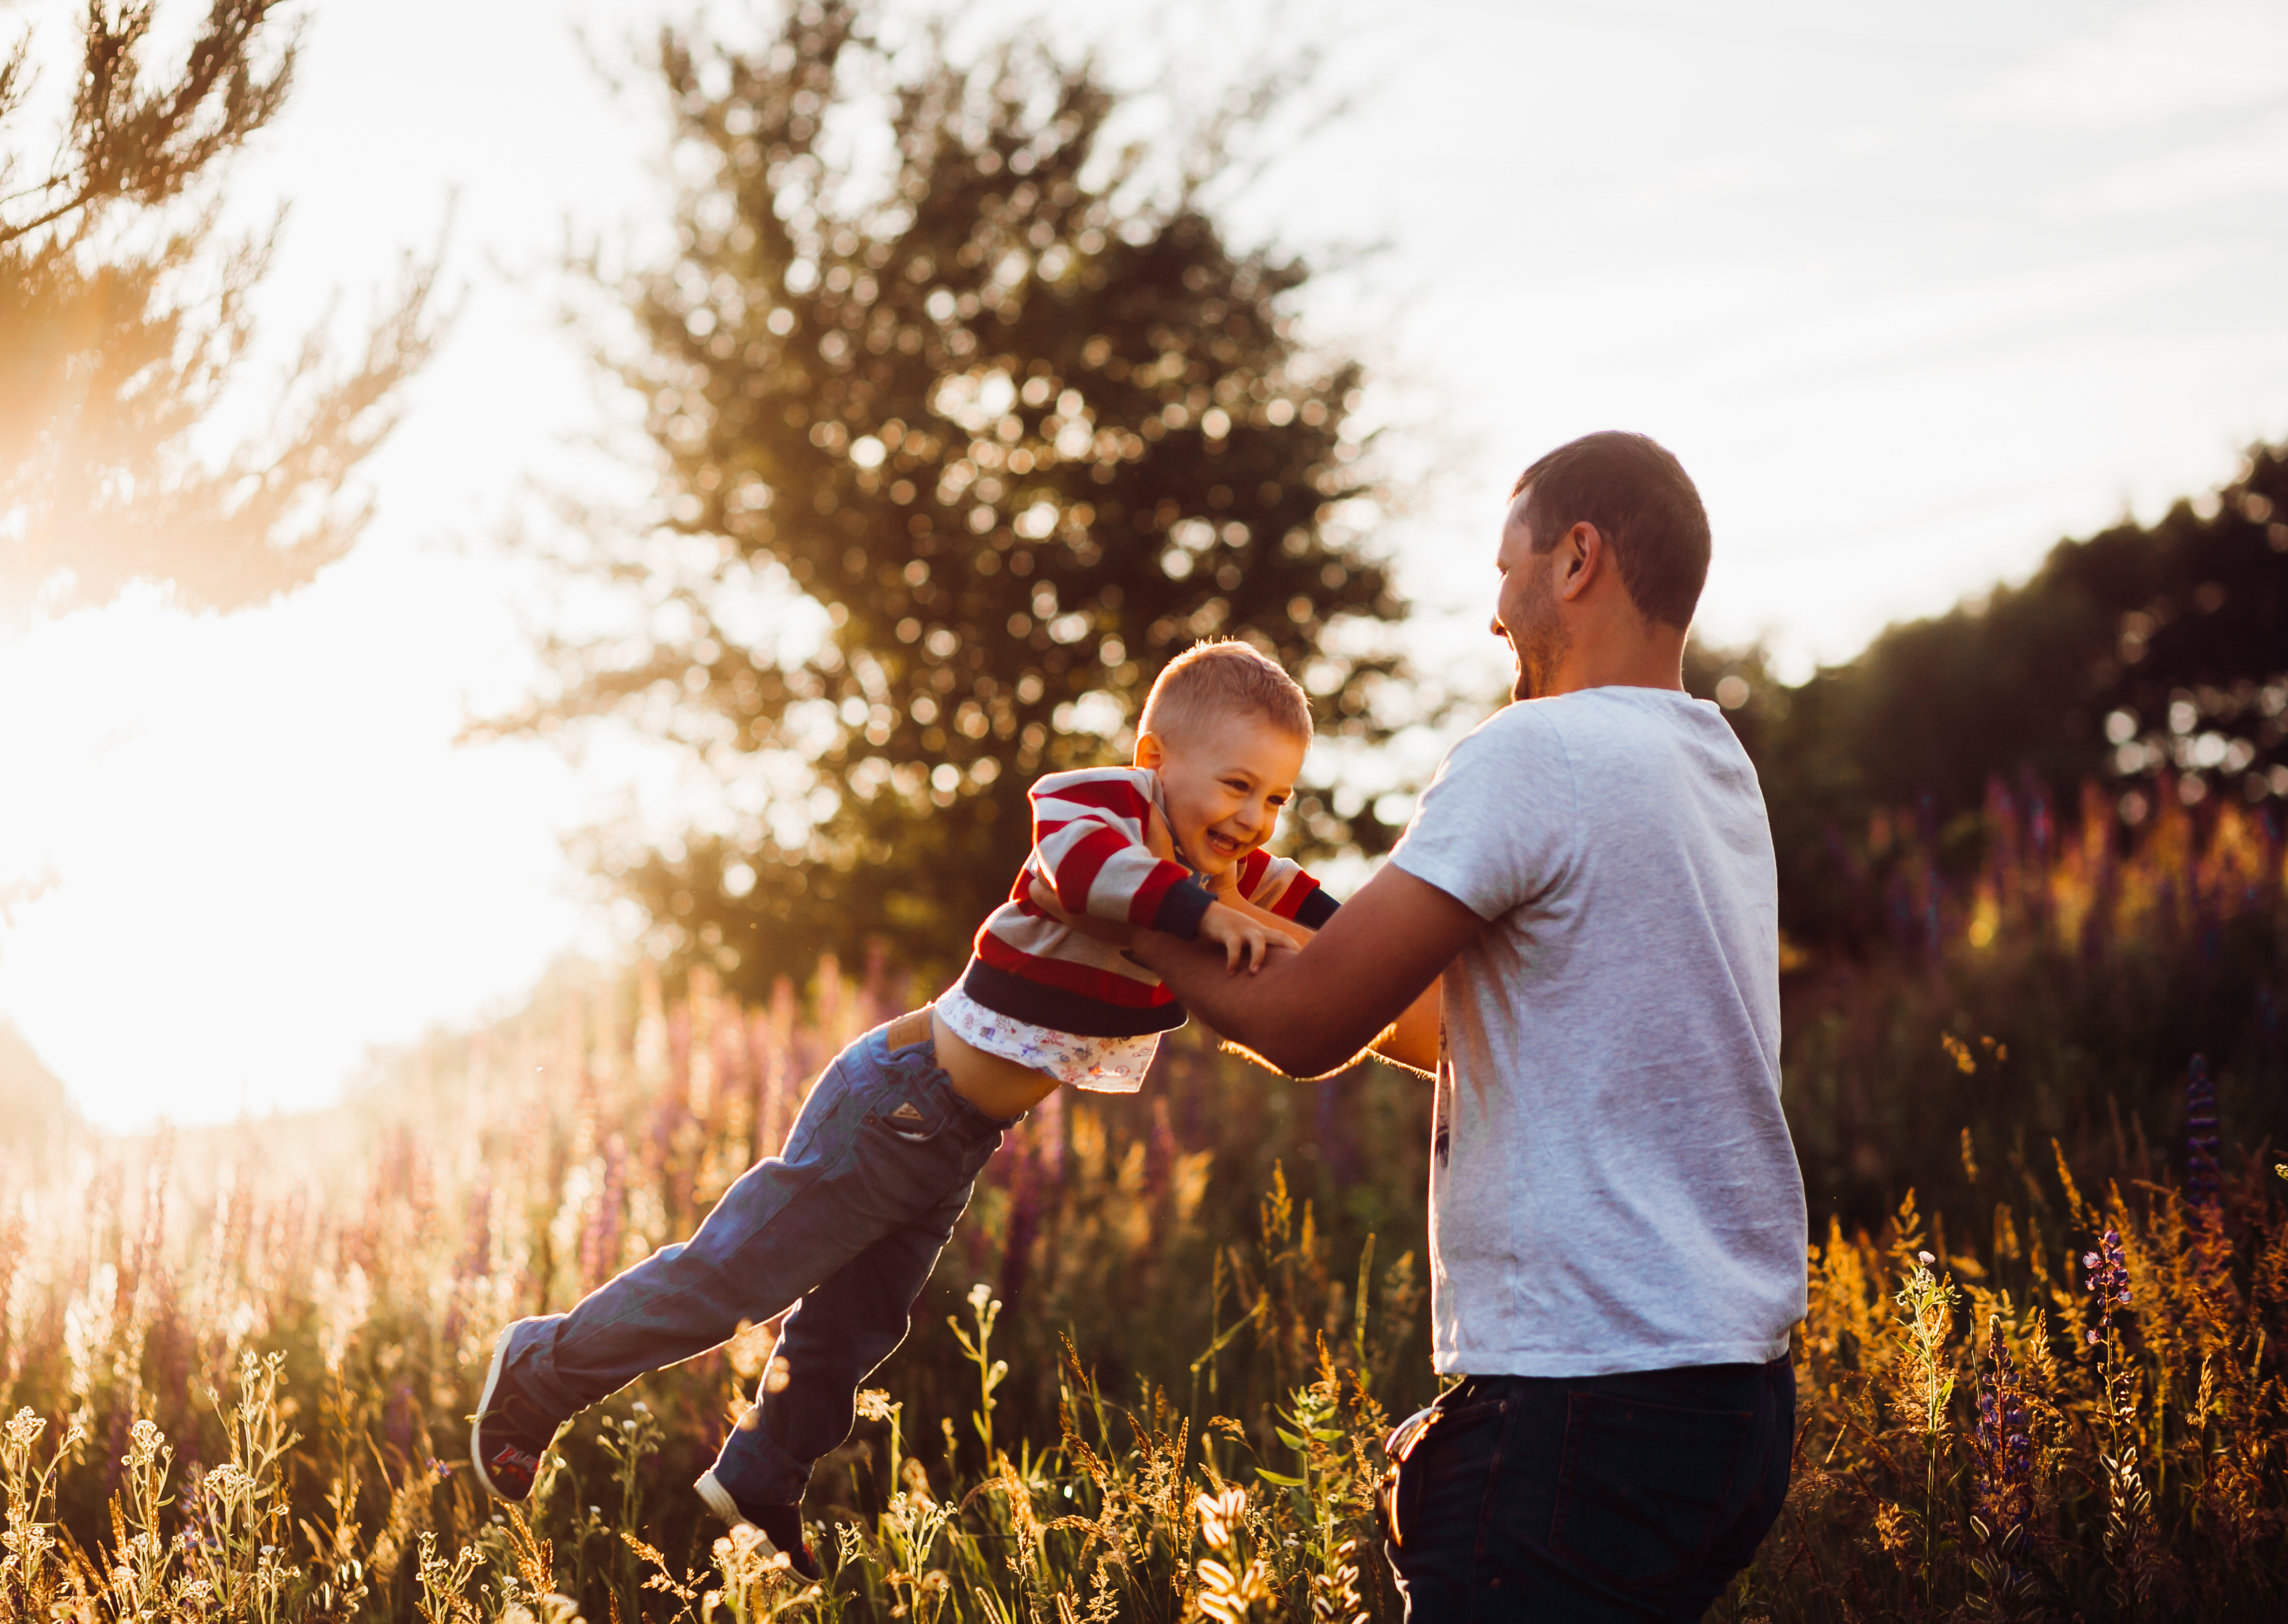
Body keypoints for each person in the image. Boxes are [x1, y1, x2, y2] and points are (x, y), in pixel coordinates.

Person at [1117, 433, 1806, 1622]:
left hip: (1578, 1404)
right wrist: (1244, 918)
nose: (1496, 612)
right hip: (1726, 1411)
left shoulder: (1536, 753)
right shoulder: (1708, 767)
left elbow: (1304, 1025)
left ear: (1578, 558)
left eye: (1507, 569)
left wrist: (1118, 911)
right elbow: (1448, 1027)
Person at [466, 640, 1339, 1579]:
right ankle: (539, 1370)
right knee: (735, 1282)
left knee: (856, 1325)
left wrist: (1431, 939)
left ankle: (761, 1477)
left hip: (954, 1137)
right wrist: (1201, 915)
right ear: (1156, 759)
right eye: (1238, 786)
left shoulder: (1237, 878)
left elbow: (1342, 924)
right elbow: (1085, 871)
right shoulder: (1103, 813)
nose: (1254, 819)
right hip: (898, 1100)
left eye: (1277, 799)